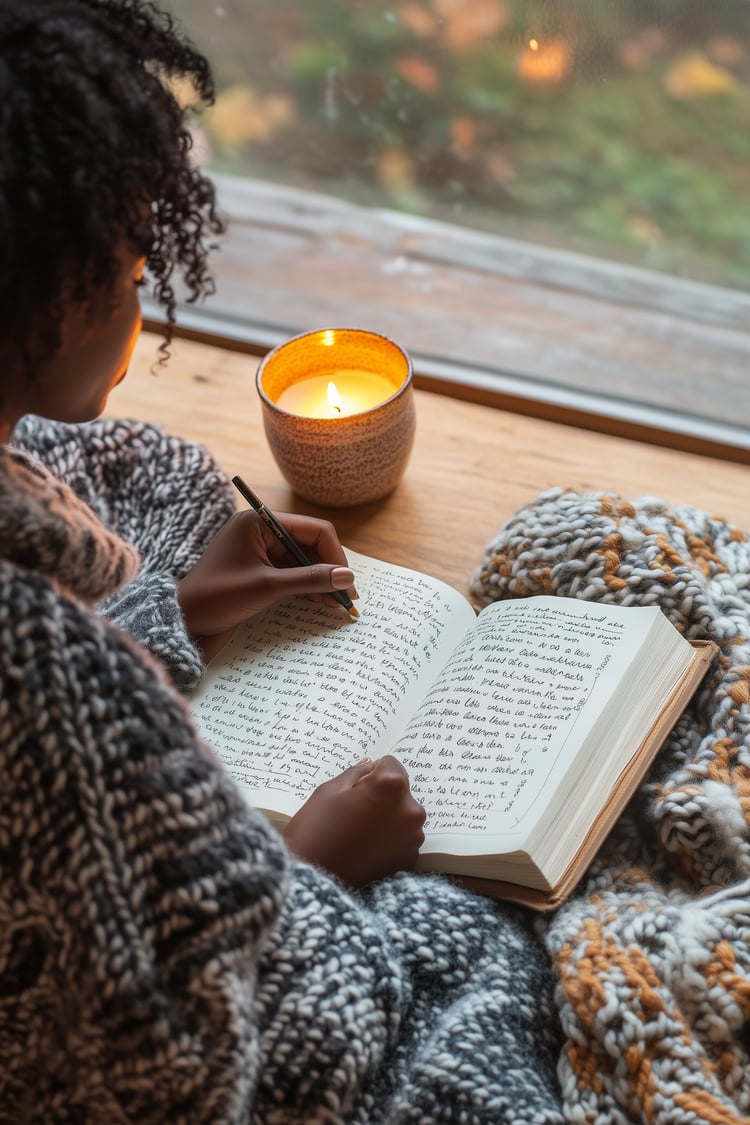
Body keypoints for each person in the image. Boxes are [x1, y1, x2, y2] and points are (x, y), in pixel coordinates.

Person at [0, 1, 564, 1120]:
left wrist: (172, 612)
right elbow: (172, 1078)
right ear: (56, 292)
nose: (143, 281)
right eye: (128, 257)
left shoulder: (45, 540)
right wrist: (310, 873)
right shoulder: (39, 675)